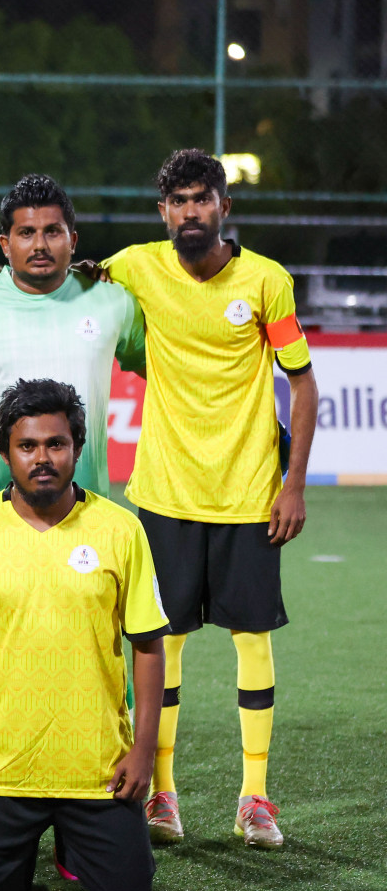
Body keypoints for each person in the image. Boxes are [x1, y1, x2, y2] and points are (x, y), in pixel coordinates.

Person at [100, 150, 317, 849]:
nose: (191, 211)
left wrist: (294, 483)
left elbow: (303, 386)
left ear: (226, 207)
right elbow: (60, 275)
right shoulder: (135, 266)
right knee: (165, 645)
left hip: (250, 496)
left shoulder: (265, 283)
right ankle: (164, 796)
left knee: (252, 640)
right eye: (178, 201)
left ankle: (255, 797)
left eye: (203, 199)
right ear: (161, 212)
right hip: (165, 494)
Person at [0, 379, 167, 891]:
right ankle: (19, 854)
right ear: (5, 452)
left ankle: (74, 843)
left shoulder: (122, 529)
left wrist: (143, 751)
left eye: (56, 444)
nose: (43, 458)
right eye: (28, 446)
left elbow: (149, 645)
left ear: (78, 449)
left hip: (97, 770)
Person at [0, 174, 146, 512]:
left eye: (52, 232)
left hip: (87, 517)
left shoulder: (114, 303)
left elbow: (160, 376)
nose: (39, 245)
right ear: (4, 244)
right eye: (26, 233)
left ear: (72, 240)